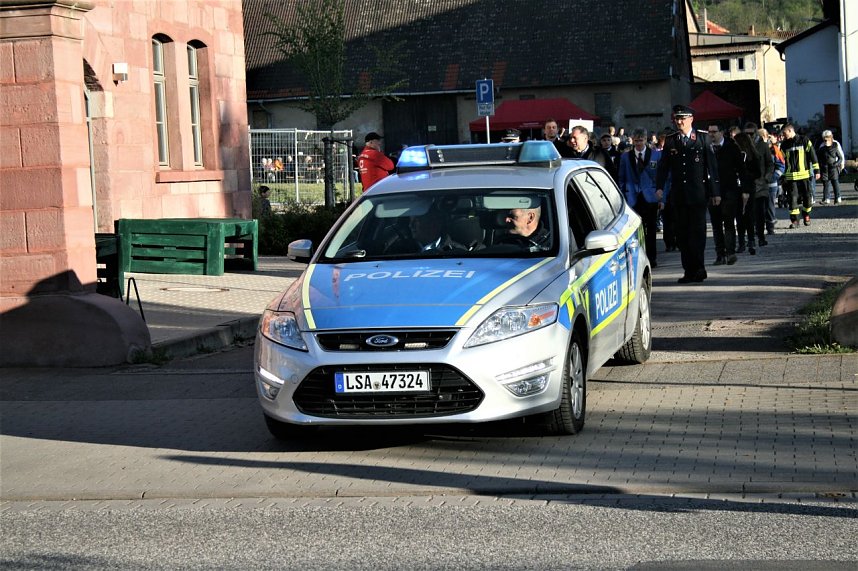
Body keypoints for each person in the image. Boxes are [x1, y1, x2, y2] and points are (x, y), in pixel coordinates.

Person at [656, 104, 720, 283]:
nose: (679, 122)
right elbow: (663, 167)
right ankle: (688, 270)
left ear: (691, 119)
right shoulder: (671, 140)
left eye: (682, 118)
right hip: (679, 195)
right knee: (682, 234)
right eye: (677, 119)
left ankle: (699, 268)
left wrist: (715, 192)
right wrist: (659, 187)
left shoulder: (702, 138)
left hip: (698, 194)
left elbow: (711, 167)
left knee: (697, 233)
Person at [619, 128, 666, 267]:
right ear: (632, 141)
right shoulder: (625, 157)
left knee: (651, 229)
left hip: (650, 197)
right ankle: (638, 258)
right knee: (635, 230)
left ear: (646, 140)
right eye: (636, 141)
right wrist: (623, 196)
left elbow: (662, 177)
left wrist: (661, 198)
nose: (638, 143)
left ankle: (652, 258)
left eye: (641, 140)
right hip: (632, 197)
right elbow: (621, 178)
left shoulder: (656, 155)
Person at [707, 124, 744, 265]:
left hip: (729, 190)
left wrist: (745, 189)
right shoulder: (706, 149)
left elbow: (741, 169)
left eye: (714, 131)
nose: (711, 134)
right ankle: (720, 254)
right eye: (709, 132)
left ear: (721, 132)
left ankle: (730, 252)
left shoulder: (731, 147)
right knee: (716, 225)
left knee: (728, 222)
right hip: (712, 192)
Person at [780, 123, 820, 228]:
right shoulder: (784, 145)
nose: (783, 135)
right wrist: (782, 175)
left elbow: (812, 155)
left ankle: (806, 215)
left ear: (790, 130)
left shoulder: (804, 140)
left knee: (808, 198)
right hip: (791, 178)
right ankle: (795, 221)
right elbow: (782, 161)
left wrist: (817, 170)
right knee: (792, 200)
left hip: (804, 176)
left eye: (784, 133)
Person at [744, 122, 774, 247]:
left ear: (756, 133)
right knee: (748, 213)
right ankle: (751, 238)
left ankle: (761, 237)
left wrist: (766, 178)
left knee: (760, 213)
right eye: (746, 134)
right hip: (747, 184)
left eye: (751, 133)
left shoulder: (763, 146)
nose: (749, 136)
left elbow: (770, 164)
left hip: (761, 185)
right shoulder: (742, 146)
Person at [734, 132, 762, 255]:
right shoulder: (736, 155)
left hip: (749, 187)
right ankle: (741, 241)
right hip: (737, 188)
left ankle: (751, 240)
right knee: (739, 215)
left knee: (749, 215)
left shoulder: (752, 156)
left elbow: (758, 173)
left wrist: (746, 175)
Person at [818, 130, 845, 204]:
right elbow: (819, 158)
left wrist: (841, 164)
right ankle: (826, 198)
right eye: (824, 138)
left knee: (835, 182)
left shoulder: (836, 144)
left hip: (833, 167)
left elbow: (841, 155)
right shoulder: (822, 146)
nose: (825, 139)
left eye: (827, 137)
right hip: (825, 168)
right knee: (826, 183)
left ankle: (838, 197)